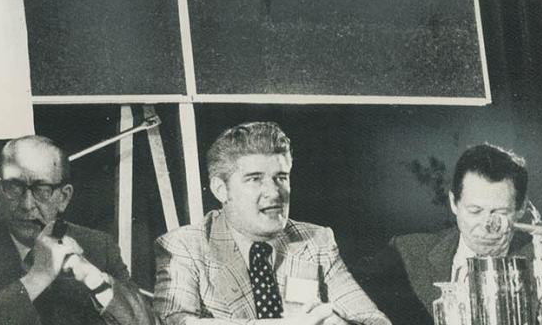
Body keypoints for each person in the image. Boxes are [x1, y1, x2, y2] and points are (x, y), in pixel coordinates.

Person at [156, 121, 388, 325]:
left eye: (281, 177)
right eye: (255, 179)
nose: (274, 192)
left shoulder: (316, 240)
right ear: (220, 189)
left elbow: (373, 319)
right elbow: (174, 322)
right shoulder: (185, 246)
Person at [0, 135, 159, 325]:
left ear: (64, 197)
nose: (27, 204)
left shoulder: (98, 246)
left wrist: (94, 278)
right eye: (14, 187)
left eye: (42, 189)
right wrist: (38, 276)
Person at [363, 143, 542, 325]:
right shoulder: (408, 253)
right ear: (454, 203)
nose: (487, 226)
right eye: (475, 211)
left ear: (521, 208)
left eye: (500, 212)